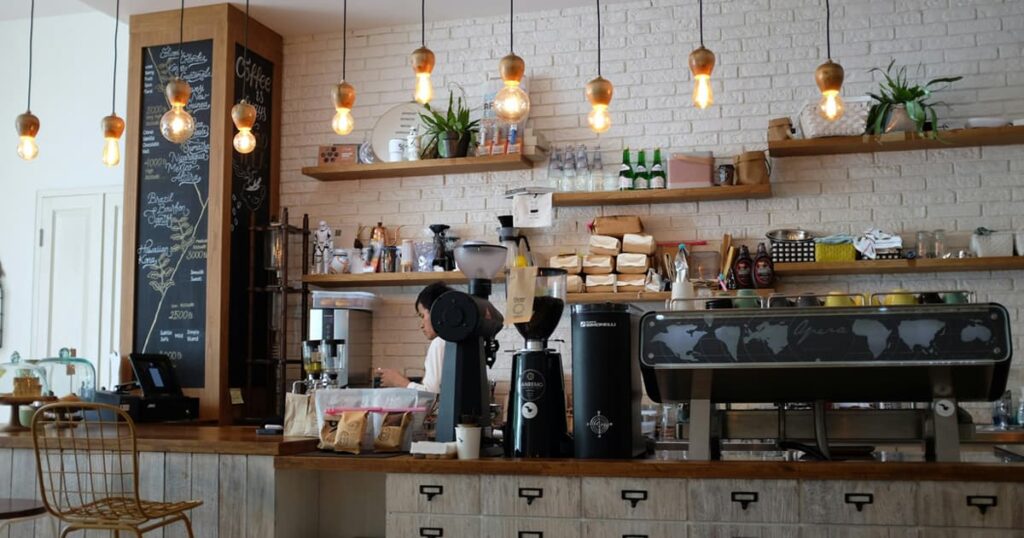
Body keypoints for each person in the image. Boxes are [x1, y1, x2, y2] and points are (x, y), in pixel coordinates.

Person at [377, 282, 452, 393]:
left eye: (422, 316)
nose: (421, 324)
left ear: (437, 311)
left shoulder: (439, 343)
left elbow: (432, 396)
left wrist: (400, 382)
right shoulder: (455, 341)